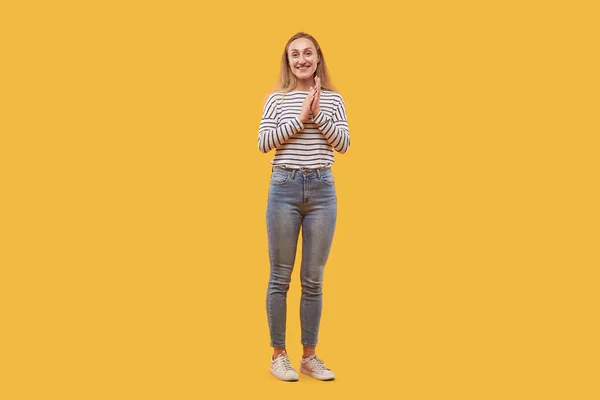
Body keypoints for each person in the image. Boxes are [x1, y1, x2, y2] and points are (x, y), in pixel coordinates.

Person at [257, 32, 350, 382]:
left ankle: (309, 356)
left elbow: (344, 144)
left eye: (307, 53)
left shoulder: (335, 100)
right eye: (294, 54)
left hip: (323, 190)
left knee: (313, 279)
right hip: (284, 188)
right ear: (288, 61)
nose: (301, 59)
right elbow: (263, 142)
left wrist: (318, 114)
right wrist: (299, 117)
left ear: (318, 58)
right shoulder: (276, 99)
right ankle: (278, 355)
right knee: (280, 276)